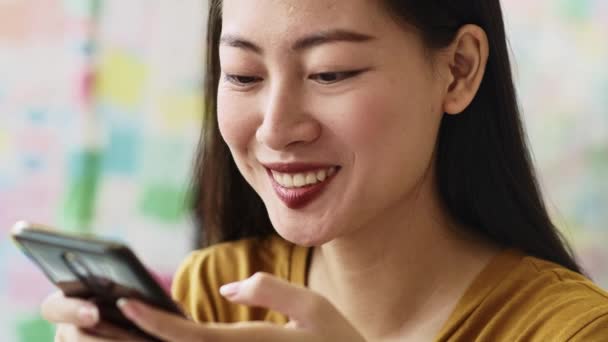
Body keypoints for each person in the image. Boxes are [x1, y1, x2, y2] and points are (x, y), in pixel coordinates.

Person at [41, 0, 608, 341]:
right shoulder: (213, 299)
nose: (275, 128)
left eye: (330, 73)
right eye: (242, 74)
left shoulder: (572, 331)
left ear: (458, 69)